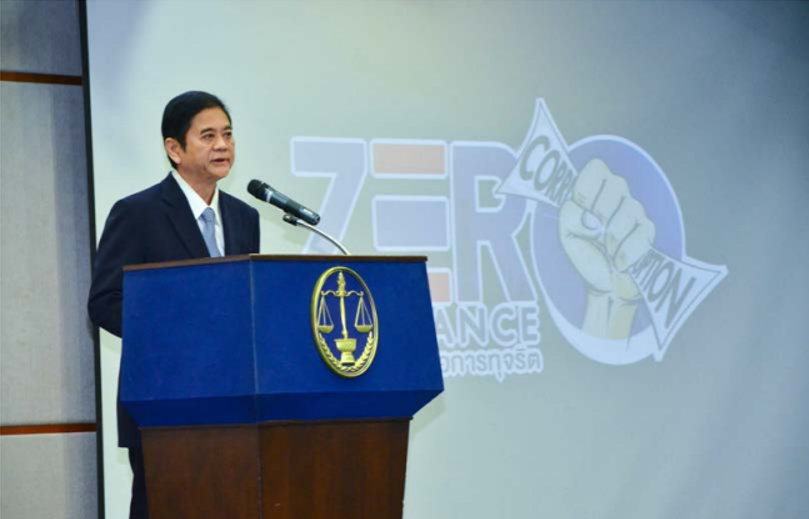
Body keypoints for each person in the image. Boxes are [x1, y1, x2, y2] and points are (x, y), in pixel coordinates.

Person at [88, 91, 260, 519]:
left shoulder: (245, 217)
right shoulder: (138, 213)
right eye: (208, 136)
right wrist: (178, 335)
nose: (222, 145)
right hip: (163, 403)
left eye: (228, 134)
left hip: (237, 404)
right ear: (174, 149)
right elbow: (105, 301)